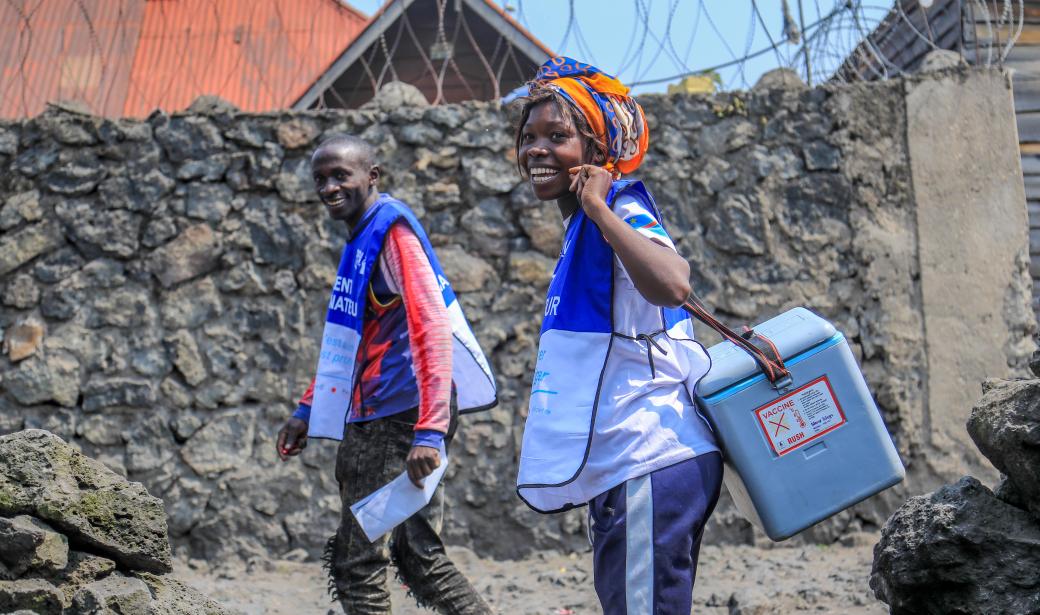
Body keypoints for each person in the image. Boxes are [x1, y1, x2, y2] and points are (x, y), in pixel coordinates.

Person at [513, 57, 724, 614]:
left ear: (597, 150)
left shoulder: (621, 207)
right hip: (631, 465)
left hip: (649, 459)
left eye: (557, 136)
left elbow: (673, 283)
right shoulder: (581, 229)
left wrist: (601, 208)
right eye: (528, 136)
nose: (536, 150)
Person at [276, 135, 497, 615]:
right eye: (321, 178)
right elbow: (350, 340)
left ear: (371, 176)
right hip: (404, 414)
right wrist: (308, 408)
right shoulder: (363, 238)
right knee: (417, 556)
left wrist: (431, 431)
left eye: (341, 176)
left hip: (396, 418)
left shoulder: (391, 233)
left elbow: (432, 326)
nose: (330, 187)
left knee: (356, 561)